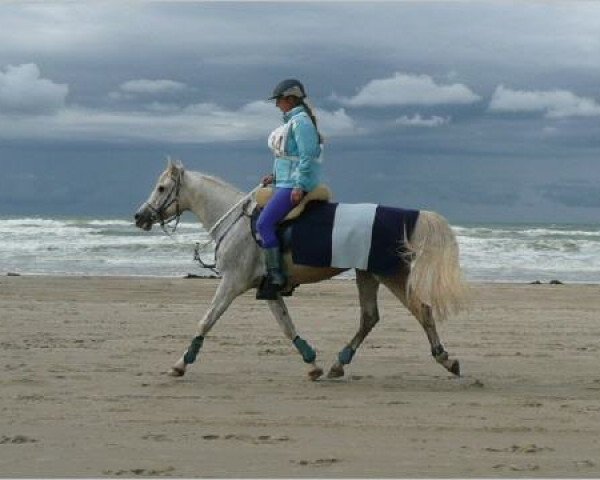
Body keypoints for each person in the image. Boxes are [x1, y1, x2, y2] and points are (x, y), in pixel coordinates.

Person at [256, 78, 323, 300]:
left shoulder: (301, 123)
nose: (277, 105)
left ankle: (277, 277)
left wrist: (299, 185)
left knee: (264, 223)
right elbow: (288, 158)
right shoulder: (292, 122)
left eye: (279, 100)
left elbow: (307, 156)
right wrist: (274, 176)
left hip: (294, 185)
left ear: (291, 99)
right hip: (284, 182)